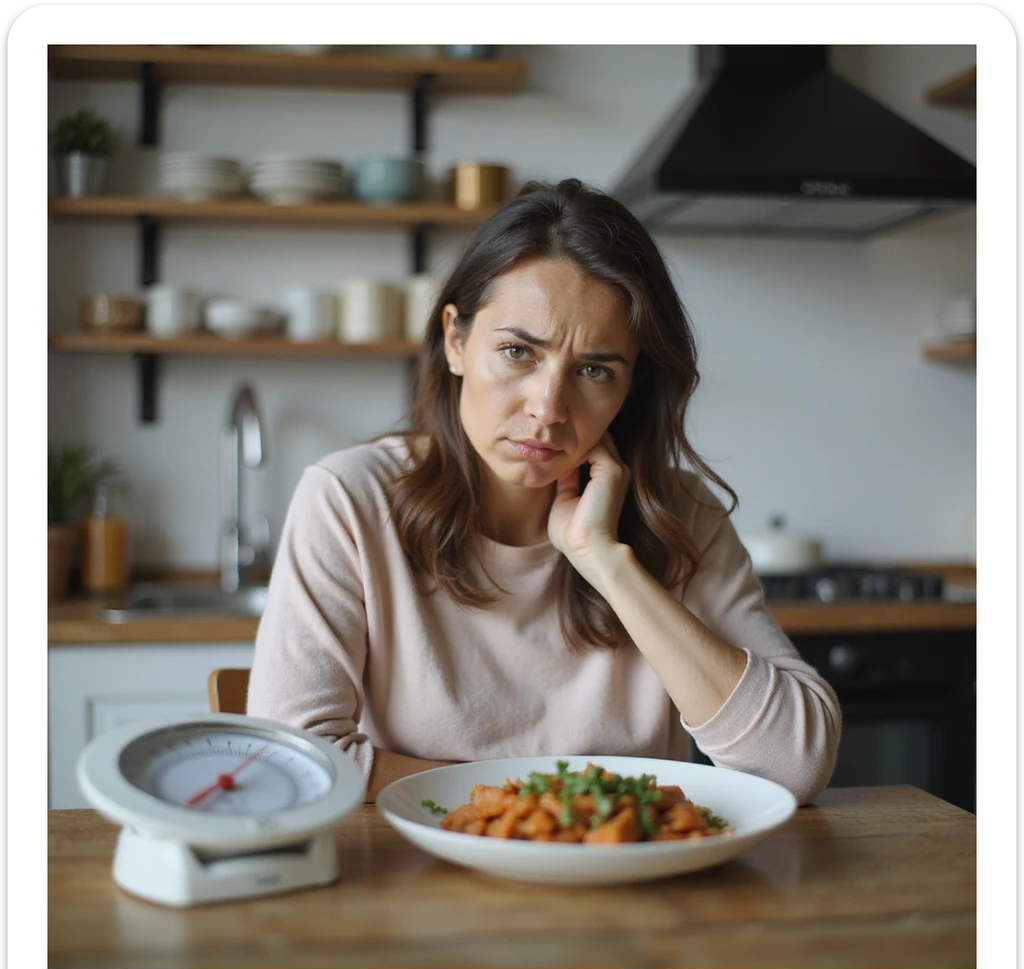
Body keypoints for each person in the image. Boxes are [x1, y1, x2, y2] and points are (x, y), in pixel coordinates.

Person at [248, 178, 841, 805]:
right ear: (456, 341)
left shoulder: (682, 514)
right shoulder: (349, 499)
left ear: (631, 387)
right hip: (424, 863)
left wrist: (608, 564)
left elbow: (794, 767)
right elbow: (294, 759)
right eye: (517, 352)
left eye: (595, 370)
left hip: (635, 866)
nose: (549, 408)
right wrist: (539, 804)